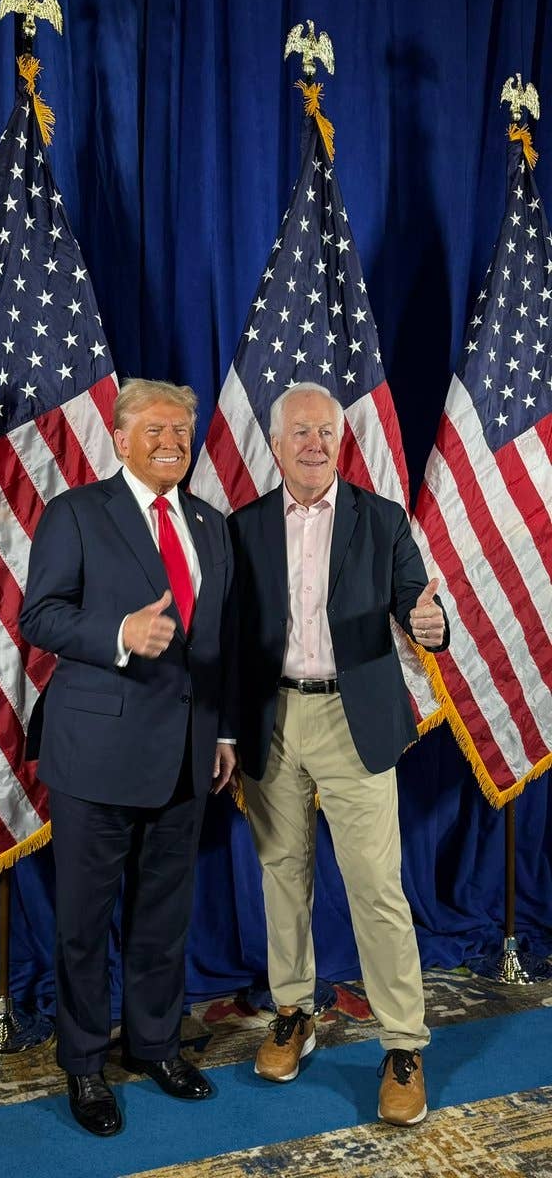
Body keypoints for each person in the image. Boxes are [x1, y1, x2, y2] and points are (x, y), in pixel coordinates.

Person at [227, 381, 449, 1128]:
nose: (314, 444)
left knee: (376, 887)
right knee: (282, 875)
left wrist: (431, 622)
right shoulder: (244, 526)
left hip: (354, 722)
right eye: (300, 433)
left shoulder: (381, 520)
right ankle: (294, 1012)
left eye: (326, 431)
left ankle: (404, 1045)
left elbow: (419, 607)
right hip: (273, 718)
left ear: (341, 442)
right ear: (278, 444)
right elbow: (227, 640)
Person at [20, 379, 237, 1136]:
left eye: (181, 427)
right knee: (85, 920)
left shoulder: (211, 525)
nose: (172, 438)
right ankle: (83, 1064)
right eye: (155, 427)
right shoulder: (76, 513)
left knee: (164, 916)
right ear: (119, 437)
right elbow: (39, 614)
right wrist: (117, 634)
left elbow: (222, 645)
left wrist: (224, 733)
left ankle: (153, 1045)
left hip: (186, 757)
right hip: (96, 755)